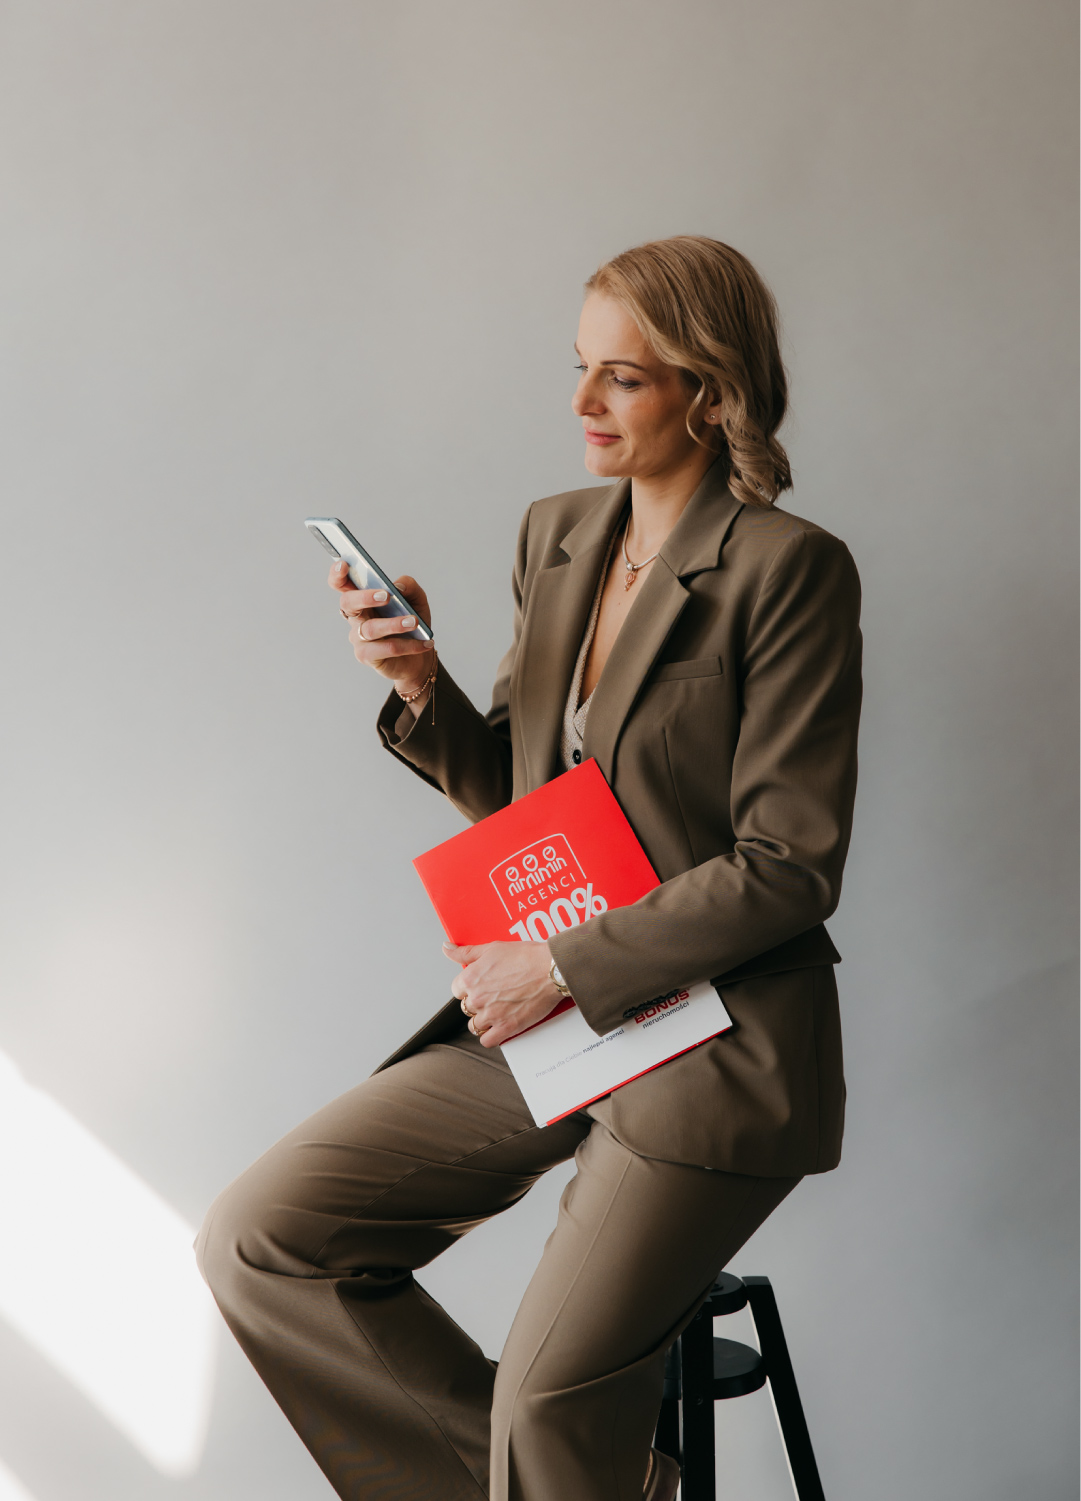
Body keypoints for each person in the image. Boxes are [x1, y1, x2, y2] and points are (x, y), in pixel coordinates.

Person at [196, 235, 862, 1501]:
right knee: (262, 1238)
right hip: (557, 1026)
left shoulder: (790, 569)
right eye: (578, 367)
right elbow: (526, 801)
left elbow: (789, 865)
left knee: (547, 1402)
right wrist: (417, 682)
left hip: (715, 1044)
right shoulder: (555, 535)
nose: (581, 403)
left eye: (623, 377)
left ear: (709, 392)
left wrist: (554, 963)